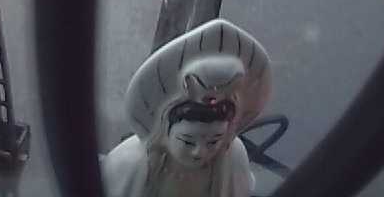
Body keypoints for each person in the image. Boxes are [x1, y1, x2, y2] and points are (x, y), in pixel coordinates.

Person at [101, 19, 272, 197]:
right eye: (187, 141)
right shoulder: (133, 162)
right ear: (165, 132)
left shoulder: (232, 158)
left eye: (213, 142)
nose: (199, 152)